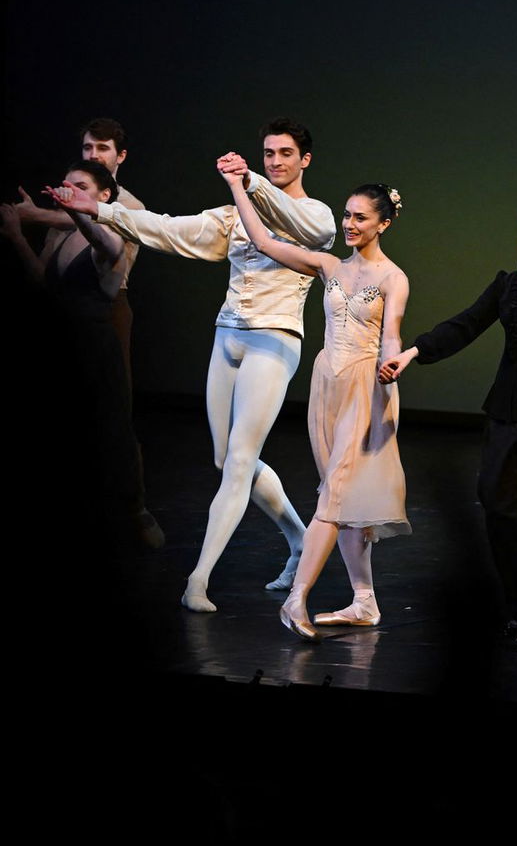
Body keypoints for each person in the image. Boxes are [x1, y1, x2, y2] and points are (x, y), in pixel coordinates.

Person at [52, 119, 335, 612]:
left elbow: (301, 225)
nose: (275, 162)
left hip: (275, 338)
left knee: (243, 459)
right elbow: (164, 228)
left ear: (304, 160)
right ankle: (301, 539)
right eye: (268, 154)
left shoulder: (316, 215)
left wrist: (250, 182)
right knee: (226, 460)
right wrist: (98, 207)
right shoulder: (232, 216)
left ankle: (197, 580)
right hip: (228, 335)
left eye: (285, 154)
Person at [380, 197, 517, 652]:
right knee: (496, 510)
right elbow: (467, 324)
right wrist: (414, 352)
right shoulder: (508, 284)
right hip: (503, 413)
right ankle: (513, 604)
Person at [221, 165, 411, 640]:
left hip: (367, 388)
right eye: (347, 216)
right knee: (341, 494)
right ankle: (364, 601)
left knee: (336, 493)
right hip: (328, 384)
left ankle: (296, 598)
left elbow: (391, 336)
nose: (349, 225)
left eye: (360, 218)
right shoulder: (331, 266)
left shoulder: (393, 278)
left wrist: (393, 364)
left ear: (383, 224)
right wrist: (235, 186)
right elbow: (265, 242)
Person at [12, 118, 160, 546]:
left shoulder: (128, 204)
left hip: (106, 313)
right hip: (63, 319)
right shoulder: (66, 208)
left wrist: (37, 213)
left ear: (121, 156)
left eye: (102, 149)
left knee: (115, 412)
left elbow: (106, 240)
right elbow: (46, 270)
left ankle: (134, 508)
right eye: (87, 148)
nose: (93, 155)